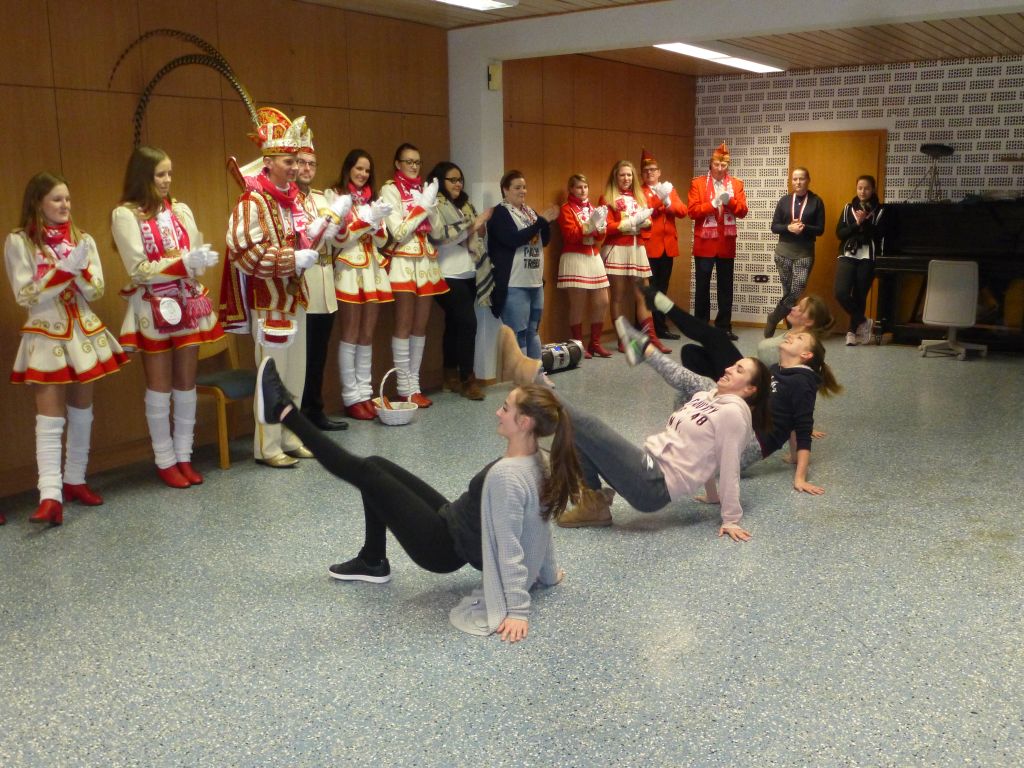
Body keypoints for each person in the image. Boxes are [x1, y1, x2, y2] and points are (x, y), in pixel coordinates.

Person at [254, 357, 581, 642]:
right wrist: (548, 573)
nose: (498, 411)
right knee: (376, 465)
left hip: (442, 547)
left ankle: (285, 412)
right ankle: (372, 560)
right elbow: (540, 525)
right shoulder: (536, 459)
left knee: (366, 473)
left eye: (506, 408)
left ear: (524, 423)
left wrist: (518, 611)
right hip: (452, 518)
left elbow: (510, 544)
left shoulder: (508, 476)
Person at [520, 319, 771, 540]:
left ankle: (534, 382)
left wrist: (730, 518)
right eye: (733, 365)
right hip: (646, 465)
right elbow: (704, 451)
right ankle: (593, 504)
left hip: (654, 484)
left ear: (750, 389)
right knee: (578, 434)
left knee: (588, 425)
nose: (728, 368)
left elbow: (728, 464)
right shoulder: (706, 396)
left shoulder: (734, 414)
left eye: (739, 370)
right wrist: (712, 496)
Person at [4, 172, 128, 525]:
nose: (65, 205)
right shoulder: (19, 241)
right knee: (49, 418)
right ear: (38, 202)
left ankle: (75, 479)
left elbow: (97, 289)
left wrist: (79, 271)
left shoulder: (82, 238)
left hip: (84, 331)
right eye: (57, 199)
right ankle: (50, 495)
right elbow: (25, 294)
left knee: (82, 411)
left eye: (68, 199)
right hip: (46, 332)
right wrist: (61, 273)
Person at [642, 286, 841, 496]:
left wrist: (800, 476)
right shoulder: (779, 369)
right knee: (690, 381)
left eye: (799, 338)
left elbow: (801, 427)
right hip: (740, 427)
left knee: (700, 383)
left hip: (744, 445)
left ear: (806, 354)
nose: (792, 337)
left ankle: (645, 351)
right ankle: (679, 436)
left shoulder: (802, 381)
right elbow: (789, 416)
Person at [112, 146, 224, 489]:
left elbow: (191, 251)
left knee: (186, 384)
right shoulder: (125, 215)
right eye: (160, 174)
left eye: (169, 173)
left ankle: (185, 455)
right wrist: (182, 264)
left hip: (186, 302)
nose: (166, 180)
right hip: (153, 305)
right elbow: (138, 269)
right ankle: (165, 460)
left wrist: (198, 261)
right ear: (143, 176)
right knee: (159, 387)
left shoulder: (180, 209)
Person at [220, 108, 321, 468]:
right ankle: (267, 446)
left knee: (296, 374)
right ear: (268, 161)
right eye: (288, 161)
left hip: (296, 297)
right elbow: (244, 253)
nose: (295, 168)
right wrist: (291, 259)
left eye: (297, 161)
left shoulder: (293, 200)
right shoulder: (252, 202)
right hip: (269, 301)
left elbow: (303, 239)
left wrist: (317, 234)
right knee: (272, 376)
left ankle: (292, 435)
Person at [324, 149, 393, 421]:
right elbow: (338, 238)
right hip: (348, 268)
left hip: (372, 268)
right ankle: (350, 397)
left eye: (367, 170)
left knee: (367, 335)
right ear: (348, 168)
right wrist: (367, 221)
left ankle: (365, 393)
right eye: (358, 168)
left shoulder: (373, 199)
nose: (363, 174)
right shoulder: (335, 196)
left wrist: (375, 223)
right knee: (350, 334)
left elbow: (382, 239)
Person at [380, 143, 448, 408]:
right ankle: (403, 387)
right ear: (397, 164)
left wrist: (430, 205)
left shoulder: (423, 189)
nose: (413, 166)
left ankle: (415, 385)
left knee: (420, 327)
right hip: (403, 260)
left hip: (426, 260)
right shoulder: (390, 189)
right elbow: (398, 231)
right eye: (408, 161)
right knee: (404, 324)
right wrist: (422, 207)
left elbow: (438, 231)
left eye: (417, 162)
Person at [427, 160, 490, 400]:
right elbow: (441, 237)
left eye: (460, 179)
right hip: (446, 274)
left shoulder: (465, 205)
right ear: (440, 181)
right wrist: (474, 225)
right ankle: (468, 380)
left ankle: (449, 376)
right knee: (468, 323)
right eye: (452, 180)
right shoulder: (434, 204)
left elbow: (475, 233)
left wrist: (478, 228)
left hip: (469, 272)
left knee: (455, 324)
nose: (458, 184)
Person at [294, 146, 346, 430]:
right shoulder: (288, 199)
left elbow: (337, 240)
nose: (306, 169)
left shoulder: (320, 198)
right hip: (303, 280)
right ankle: (299, 416)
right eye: (301, 163)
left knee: (318, 354)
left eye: (311, 164)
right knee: (302, 355)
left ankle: (315, 411)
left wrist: (344, 221)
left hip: (325, 279)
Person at [487, 170, 558, 359]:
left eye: (524, 187)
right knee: (518, 334)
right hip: (514, 284)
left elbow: (544, 241)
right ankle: (522, 375)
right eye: (517, 187)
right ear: (505, 190)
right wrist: (540, 222)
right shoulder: (500, 213)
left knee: (532, 331)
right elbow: (513, 239)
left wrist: (546, 224)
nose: (523, 191)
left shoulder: (529, 212)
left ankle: (536, 372)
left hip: (535, 282)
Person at [599, 160, 668, 354]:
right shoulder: (607, 198)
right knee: (618, 296)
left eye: (629, 174)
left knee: (643, 295)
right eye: (622, 174)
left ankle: (651, 338)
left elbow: (649, 221)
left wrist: (645, 223)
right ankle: (623, 339)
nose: (626, 178)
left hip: (637, 248)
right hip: (617, 249)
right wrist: (629, 223)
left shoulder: (639, 197)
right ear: (615, 176)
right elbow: (606, 227)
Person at [687, 143, 748, 340]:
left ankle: (723, 327)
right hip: (704, 244)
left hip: (726, 244)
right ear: (710, 164)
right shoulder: (698, 184)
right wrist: (711, 205)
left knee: (725, 288)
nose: (720, 169)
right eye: (716, 165)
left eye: (724, 165)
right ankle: (700, 326)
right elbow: (692, 212)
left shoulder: (736, 184)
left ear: (727, 166)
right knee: (702, 287)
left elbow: (743, 211)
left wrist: (730, 201)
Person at [556, 173, 610, 359]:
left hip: (593, 255)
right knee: (577, 304)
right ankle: (578, 345)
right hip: (574, 256)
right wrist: (590, 226)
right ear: (571, 189)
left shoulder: (593, 208)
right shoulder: (566, 209)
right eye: (578, 187)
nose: (582, 190)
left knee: (603, 301)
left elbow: (600, 236)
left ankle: (595, 343)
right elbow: (570, 235)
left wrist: (600, 228)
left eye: (585, 187)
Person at [766, 167, 825, 337]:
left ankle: (773, 317)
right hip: (783, 252)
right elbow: (774, 227)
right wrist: (789, 228)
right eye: (795, 179)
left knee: (797, 289)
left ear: (808, 180)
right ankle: (792, 329)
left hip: (804, 253)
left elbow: (820, 229)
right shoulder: (784, 200)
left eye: (801, 179)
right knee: (788, 292)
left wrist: (804, 227)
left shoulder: (816, 201)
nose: (798, 182)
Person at [639, 148, 688, 340]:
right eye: (645, 171)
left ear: (659, 172)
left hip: (668, 246)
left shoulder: (669, 189)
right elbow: (646, 211)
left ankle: (660, 327)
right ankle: (647, 328)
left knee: (662, 289)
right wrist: (660, 199)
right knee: (649, 289)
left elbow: (682, 211)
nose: (649, 173)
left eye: (653, 169)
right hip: (649, 246)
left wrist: (668, 201)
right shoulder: (639, 192)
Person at [834, 174, 886, 346]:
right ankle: (864, 321)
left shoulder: (880, 210)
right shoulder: (848, 208)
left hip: (868, 256)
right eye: (860, 188)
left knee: (859, 295)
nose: (863, 191)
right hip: (848, 253)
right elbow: (840, 233)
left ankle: (851, 332)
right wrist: (857, 224)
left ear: (873, 190)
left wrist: (865, 222)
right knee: (841, 292)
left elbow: (879, 235)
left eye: (867, 188)